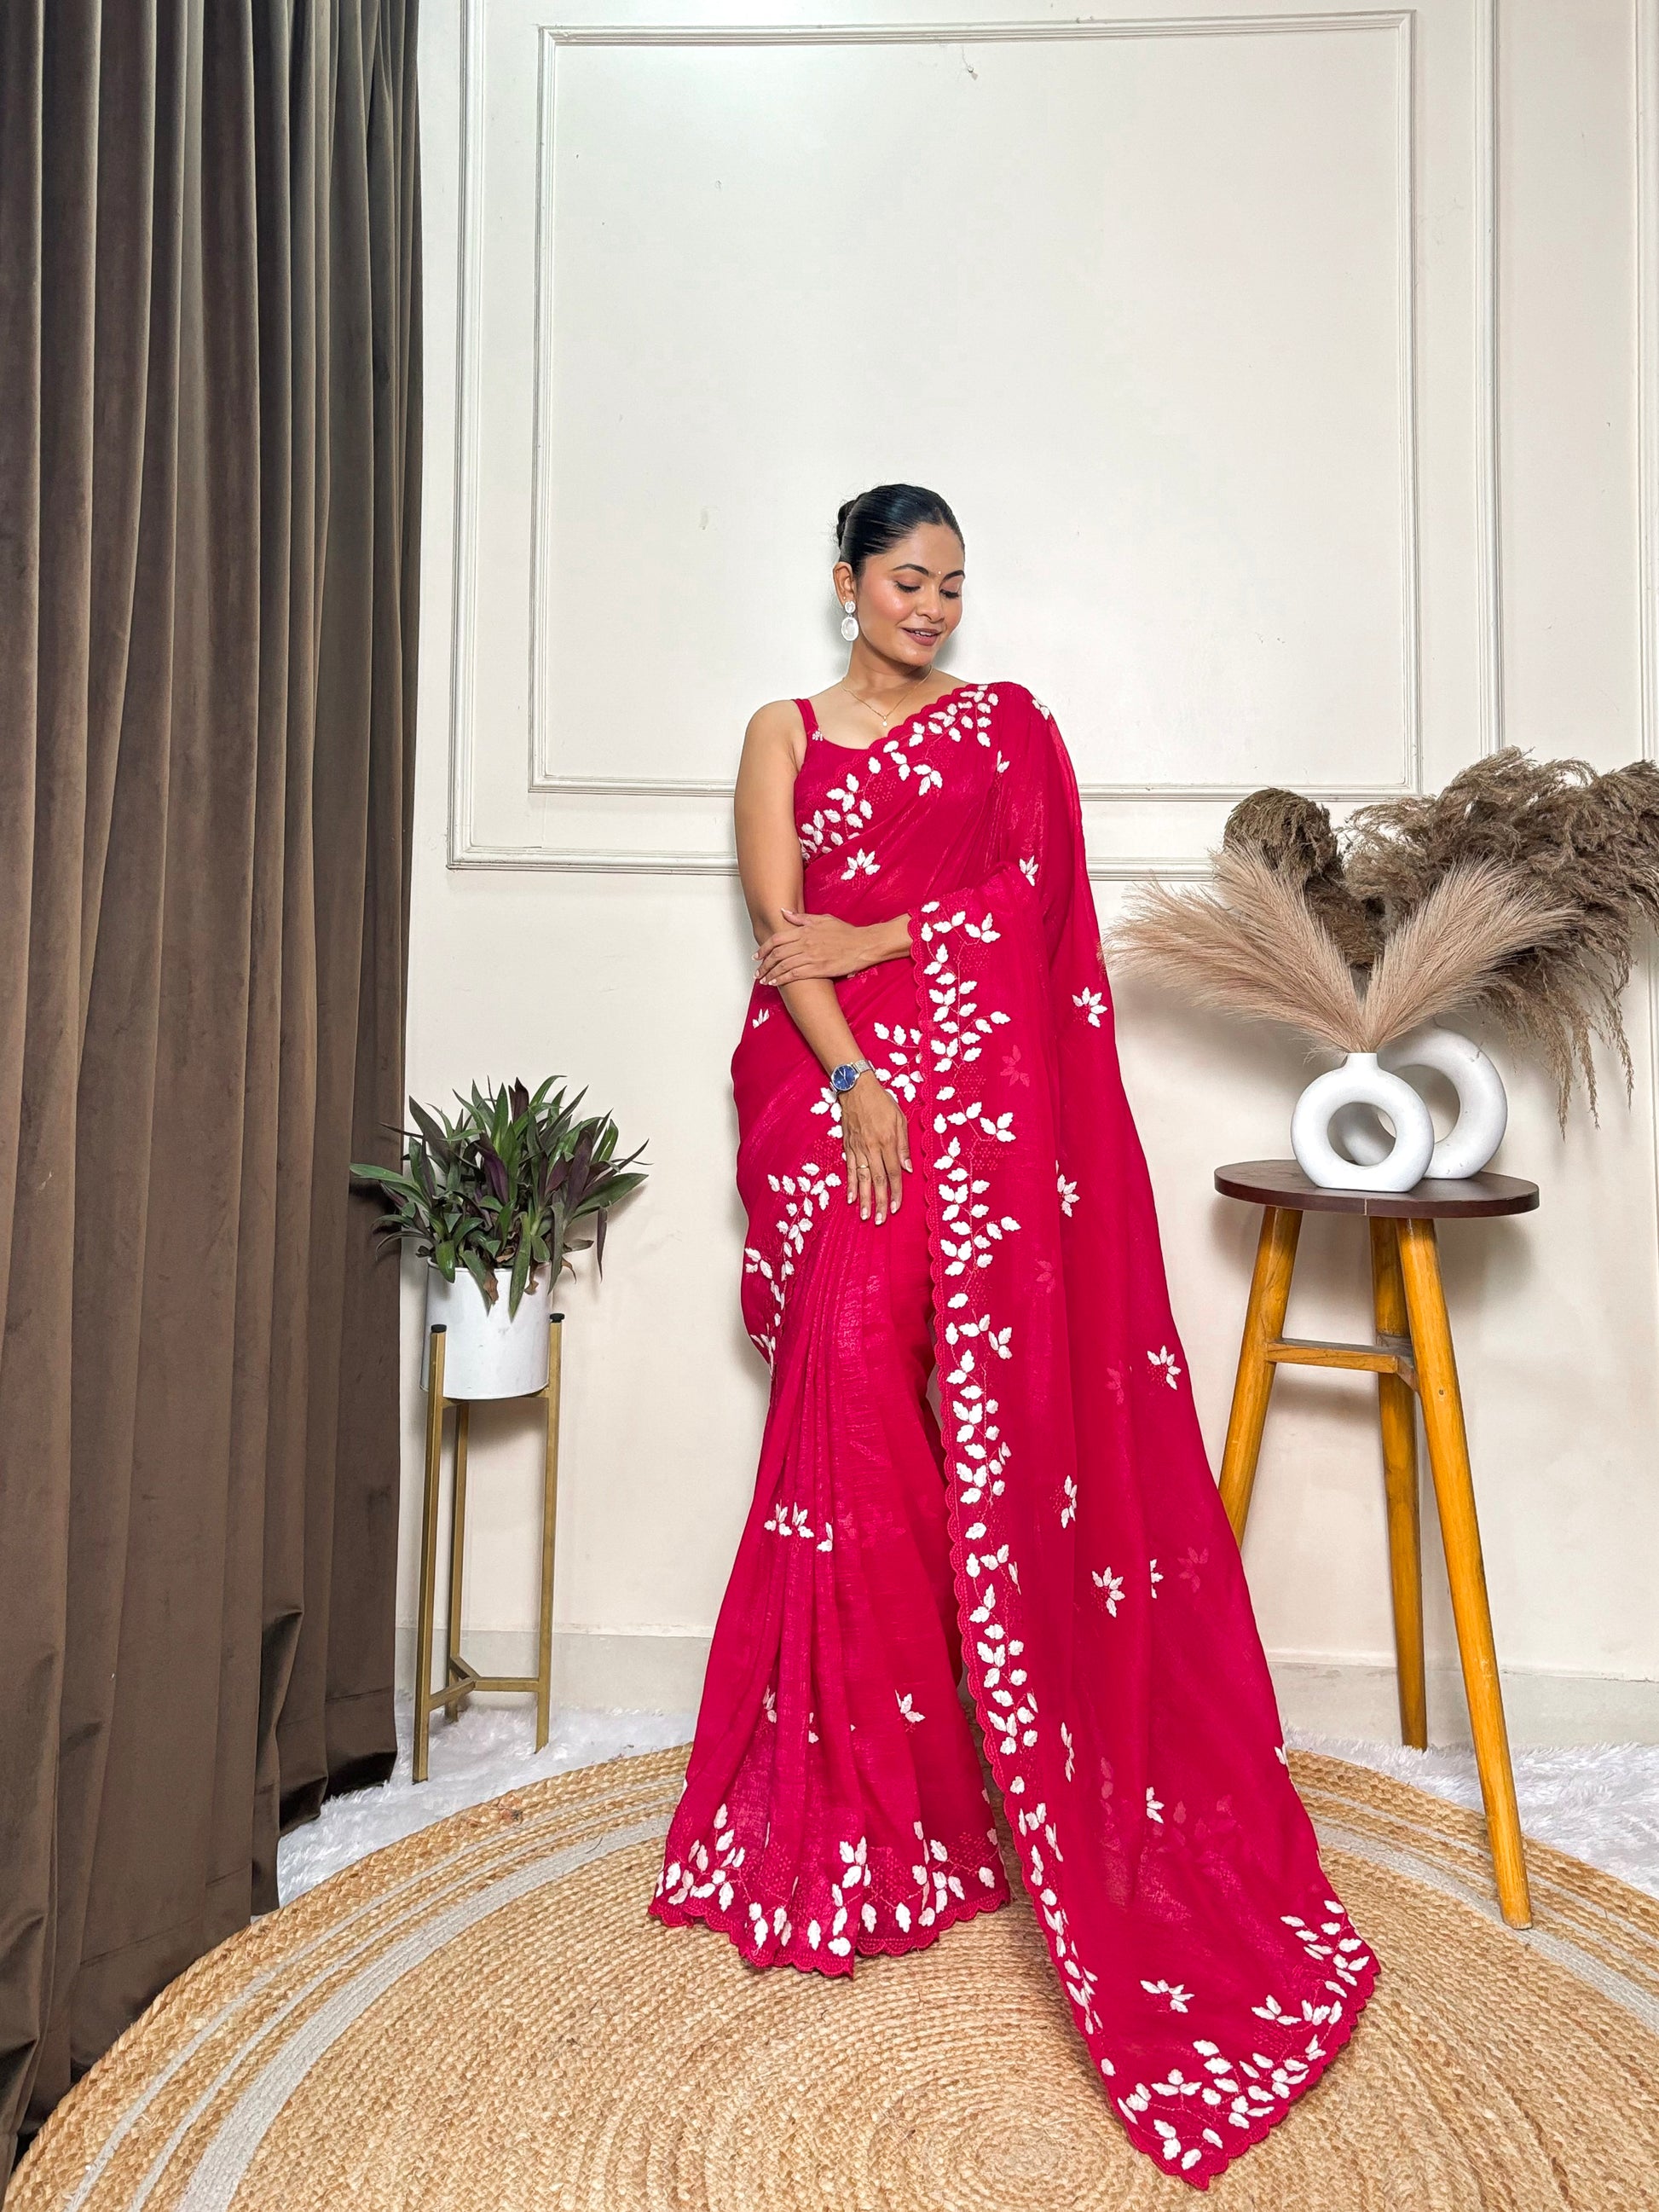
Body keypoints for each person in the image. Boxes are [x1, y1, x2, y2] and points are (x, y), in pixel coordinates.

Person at [650, 484, 1377, 2186]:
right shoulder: (780, 734)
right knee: (845, 1395)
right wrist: (855, 1077)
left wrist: (898, 935)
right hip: (839, 1088)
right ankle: (858, 1804)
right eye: (906, 579)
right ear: (844, 581)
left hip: (983, 1104)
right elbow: (783, 935)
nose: (931, 608)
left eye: (953, 587)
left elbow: (1032, 902)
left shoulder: (1004, 734)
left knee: (968, 1438)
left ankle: (957, 1783)